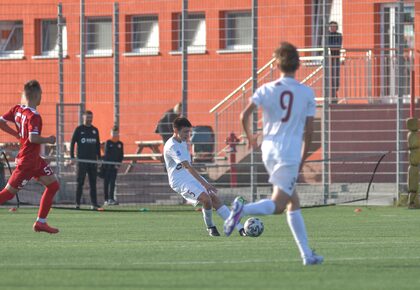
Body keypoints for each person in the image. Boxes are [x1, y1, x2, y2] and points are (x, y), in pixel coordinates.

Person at [224, 42, 323, 265]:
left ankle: (307, 255)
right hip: (289, 152)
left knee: (292, 202)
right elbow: (309, 131)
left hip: (268, 149)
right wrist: (302, 157)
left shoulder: (266, 89)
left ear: (277, 64)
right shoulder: (306, 92)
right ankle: (242, 209)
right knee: (279, 205)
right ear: (298, 65)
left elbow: (243, 115)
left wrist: (250, 138)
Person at [164, 117, 246, 237]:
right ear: (175, 130)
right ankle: (211, 227)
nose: (188, 135)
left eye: (189, 132)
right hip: (179, 181)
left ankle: (240, 229)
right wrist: (205, 184)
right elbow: (187, 167)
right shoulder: (172, 146)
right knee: (206, 199)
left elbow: (189, 167)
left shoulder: (183, 141)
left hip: (189, 177)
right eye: (185, 132)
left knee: (214, 198)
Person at [0, 80, 60, 233]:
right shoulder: (34, 117)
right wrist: (49, 140)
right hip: (28, 162)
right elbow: (33, 138)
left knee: (53, 185)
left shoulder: (17, 109)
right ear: (36, 95)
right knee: (7, 194)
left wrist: (18, 135)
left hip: (35, 160)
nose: (42, 98)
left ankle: (41, 222)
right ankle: (40, 222)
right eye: (41, 94)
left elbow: (1, 122)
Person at [70, 110, 101, 210]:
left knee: (93, 183)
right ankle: (77, 203)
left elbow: (97, 145)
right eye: (87, 117)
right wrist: (72, 157)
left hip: (92, 161)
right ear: (83, 118)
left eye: (91, 117)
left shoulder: (95, 130)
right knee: (80, 182)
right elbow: (72, 143)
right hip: (82, 161)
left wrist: (99, 159)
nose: (89, 119)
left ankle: (94, 204)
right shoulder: (79, 129)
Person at [102, 126, 124, 205]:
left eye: (116, 133)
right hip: (108, 166)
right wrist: (110, 164)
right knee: (106, 182)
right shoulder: (108, 142)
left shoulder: (120, 144)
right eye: (113, 133)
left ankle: (111, 198)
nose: (115, 135)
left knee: (112, 182)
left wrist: (118, 164)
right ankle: (106, 199)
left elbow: (121, 155)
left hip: (115, 167)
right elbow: (107, 154)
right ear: (111, 133)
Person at [326, 21, 343, 103]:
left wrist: (331, 46)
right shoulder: (327, 35)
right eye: (331, 26)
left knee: (336, 77)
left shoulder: (339, 35)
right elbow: (326, 45)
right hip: (328, 59)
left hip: (336, 58)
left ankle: (334, 95)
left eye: (334, 26)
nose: (332, 28)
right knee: (329, 78)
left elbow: (338, 45)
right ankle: (331, 97)